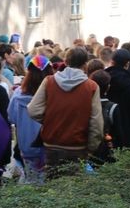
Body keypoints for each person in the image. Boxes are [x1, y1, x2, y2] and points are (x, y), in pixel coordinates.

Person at [26, 47, 104, 176]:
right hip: (77, 146)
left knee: (52, 188)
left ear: (66, 62)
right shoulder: (91, 87)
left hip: (51, 144)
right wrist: (90, 148)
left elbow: (33, 110)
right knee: (74, 190)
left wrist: (52, 119)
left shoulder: (49, 81)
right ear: (85, 65)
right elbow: (96, 123)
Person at [8, 56, 51, 183]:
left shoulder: (18, 95)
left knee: (31, 180)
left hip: (27, 145)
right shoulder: (53, 94)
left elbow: (11, 117)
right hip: (48, 145)